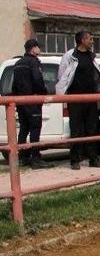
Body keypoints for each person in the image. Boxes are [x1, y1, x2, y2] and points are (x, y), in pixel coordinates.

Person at [57, 31, 100, 170]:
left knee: (92, 128)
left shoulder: (91, 56)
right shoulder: (70, 55)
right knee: (76, 129)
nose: (92, 41)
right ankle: (75, 160)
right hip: (75, 98)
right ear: (82, 40)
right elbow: (62, 75)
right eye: (90, 39)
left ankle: (93, 158)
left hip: (91, 98)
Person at [11, 39, 51, 168]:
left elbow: (14, 85)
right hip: (32, 99)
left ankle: (23, 157)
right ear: (33, 49)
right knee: (35, 128)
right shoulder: (33, 62)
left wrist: (17, 99)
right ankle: (36, 158)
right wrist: (43, 92)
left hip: (20, 101)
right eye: (38, 47)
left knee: (23, 128)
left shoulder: (17, 63)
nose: (39, 50)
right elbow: (37, 79)